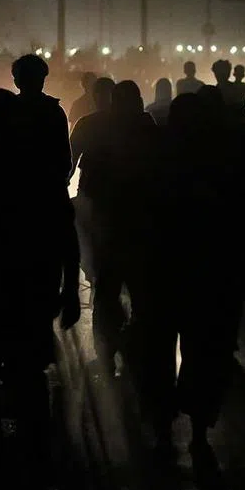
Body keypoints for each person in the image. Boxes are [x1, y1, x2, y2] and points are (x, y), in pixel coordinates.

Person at [0, 88, 80, 490]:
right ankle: (34, 469)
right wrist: (71, 289)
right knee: (28, 384)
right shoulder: (39, 173)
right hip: (28, 297)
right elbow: (65, 234)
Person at [156, 87, 245, 458]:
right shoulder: (232, 146)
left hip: (180, 262)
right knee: (214, 342)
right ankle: (197, 420)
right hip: (222, 259)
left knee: (175, 337)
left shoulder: (167, 151)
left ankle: (171, 411)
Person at [94, 80, 158, 378]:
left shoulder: (100, 127)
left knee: (106, 293)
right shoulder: (147, 126)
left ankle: (106, 354)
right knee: (142, 292)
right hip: (141, 224)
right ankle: (139, 351)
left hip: (108, 223)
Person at [69, 77, 115, 284]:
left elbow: (71, 157)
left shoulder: (86, 123)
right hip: (117, 190)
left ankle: (92, 272)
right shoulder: (127, 122)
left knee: (88, 235)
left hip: (91, 187)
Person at [12, 54, 73, 189]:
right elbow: (64, 158)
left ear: (16, 82)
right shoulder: (54, 111)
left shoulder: (5, 112)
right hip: (49, 189)